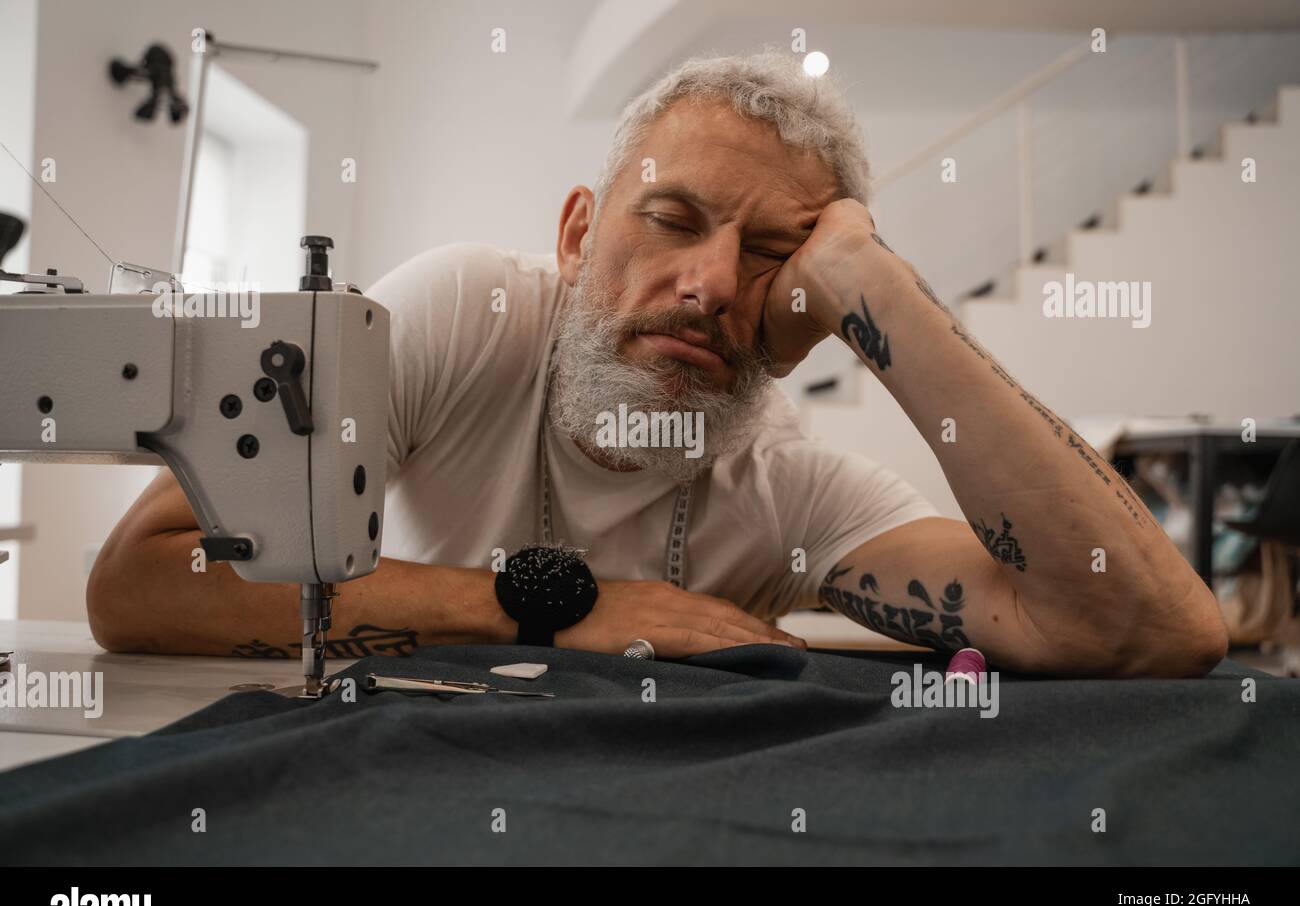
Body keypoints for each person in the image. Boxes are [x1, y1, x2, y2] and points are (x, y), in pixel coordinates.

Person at [87, 52, 1227, 676]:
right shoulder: (454, 314)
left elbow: (1142, 631)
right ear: (579, 233)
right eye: (674, 218)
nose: (713, 284)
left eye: (773, 257)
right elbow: (138, 580)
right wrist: (544, 609)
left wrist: (881, 293)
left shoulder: (791, 487)